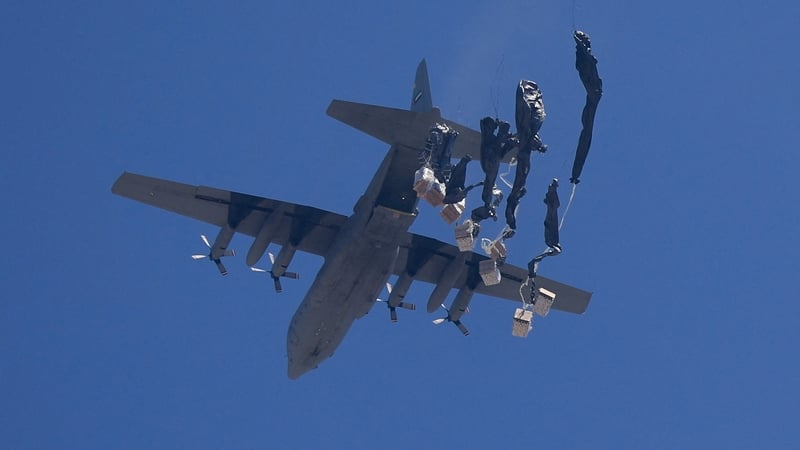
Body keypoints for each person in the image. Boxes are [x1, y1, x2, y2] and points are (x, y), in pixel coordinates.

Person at [504, 80, 548, 238]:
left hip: (524, 152)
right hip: (523, 151)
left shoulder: (527, 135)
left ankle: (511, 215)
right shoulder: (526, 133)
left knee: (520, 180)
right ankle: (510, 215)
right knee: (520, 180)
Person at [570, 30, 603, 184]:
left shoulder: (586, 58)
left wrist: (581, 44)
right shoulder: (583, 60)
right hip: (594, 92)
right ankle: (576, 172)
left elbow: (586, 57)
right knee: (587, 131)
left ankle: (576, 172)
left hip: (594, 92)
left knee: (587, 131)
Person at [526, 179, 563, 302]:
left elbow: (533, 262)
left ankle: (551, 192)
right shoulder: (553, 242)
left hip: (550, 233)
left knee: (553, 211)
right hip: (551, 232)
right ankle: (551, 192)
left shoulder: (551, 242)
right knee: (553, 211)